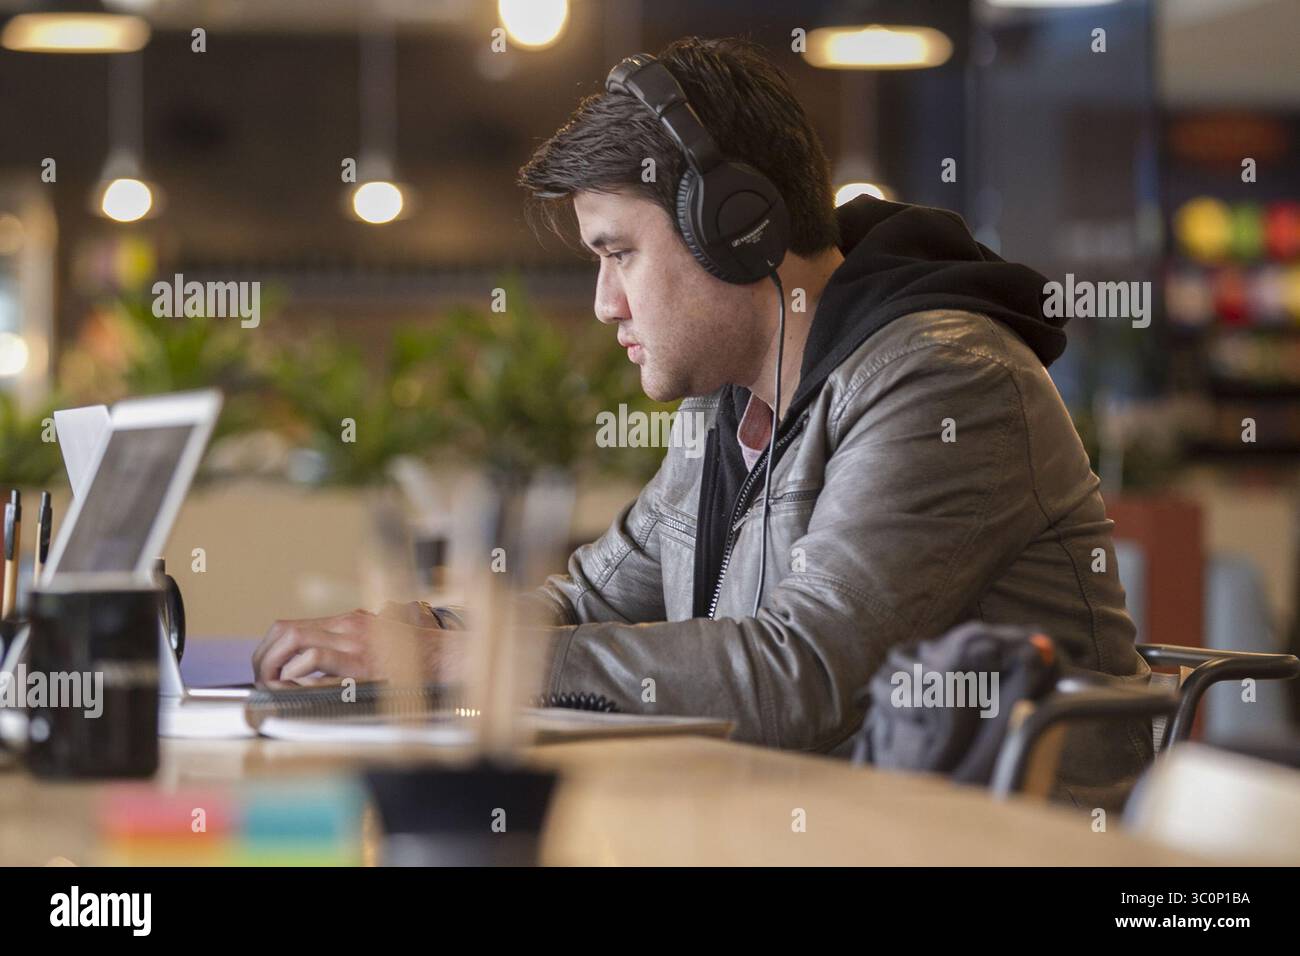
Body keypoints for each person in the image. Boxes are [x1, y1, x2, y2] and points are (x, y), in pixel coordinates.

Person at [254, 36, 1152, 808]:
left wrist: (455, 662)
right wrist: (416, 635)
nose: (606, 304)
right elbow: (588, 602)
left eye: (619, 254)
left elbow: (801, 675)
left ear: (738, 229)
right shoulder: (724, 409)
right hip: (794, 822)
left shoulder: (946, 380)